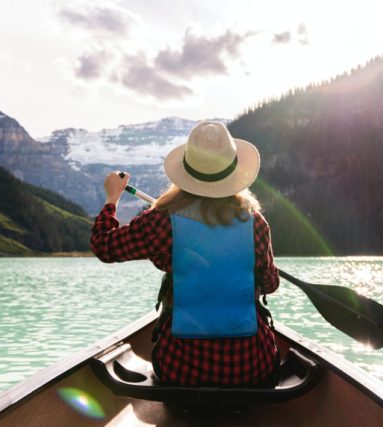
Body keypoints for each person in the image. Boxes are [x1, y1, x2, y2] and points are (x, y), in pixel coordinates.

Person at [90, 121, 280, 387]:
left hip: (181, 368)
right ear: (233, 172)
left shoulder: (159, 222)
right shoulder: (256, 224)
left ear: (186, 173)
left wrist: (112, 197)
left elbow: (103, 246)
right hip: (251, 365)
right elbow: (270, 285)